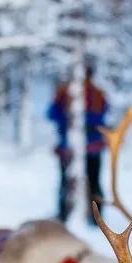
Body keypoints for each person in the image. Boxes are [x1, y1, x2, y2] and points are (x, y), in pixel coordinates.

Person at [47, 64, 110, 224]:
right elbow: (102, 116)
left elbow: (52, 114)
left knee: (67, 181)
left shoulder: (66, 92)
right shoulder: (97, 93)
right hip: (90, 147)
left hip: (70, 147)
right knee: (93, 180)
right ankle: (96, 217)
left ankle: (65, 214)